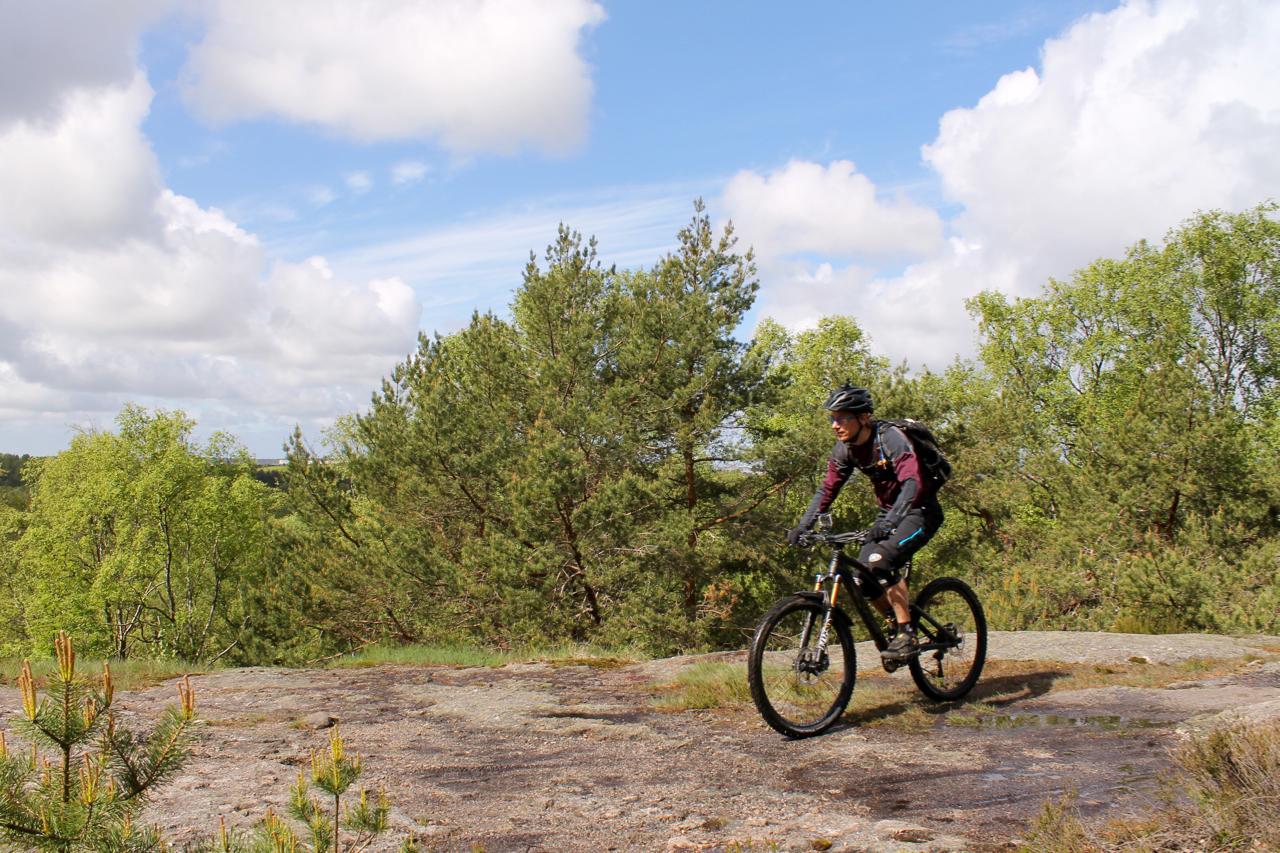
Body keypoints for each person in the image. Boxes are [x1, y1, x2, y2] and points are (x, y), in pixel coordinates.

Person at [786, 384, 944, 662]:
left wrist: (891, 521)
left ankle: (907, 633)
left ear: (863, 418)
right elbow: (827, 490)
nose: (835, 425)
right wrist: (803, 526)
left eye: (842, 418)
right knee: (864, 579)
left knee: (881, 561)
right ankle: (896, 622)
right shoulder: (846, 449)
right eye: (832, 418)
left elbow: (912, 482)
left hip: (920, 510)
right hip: (889, 513)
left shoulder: (891, 439)